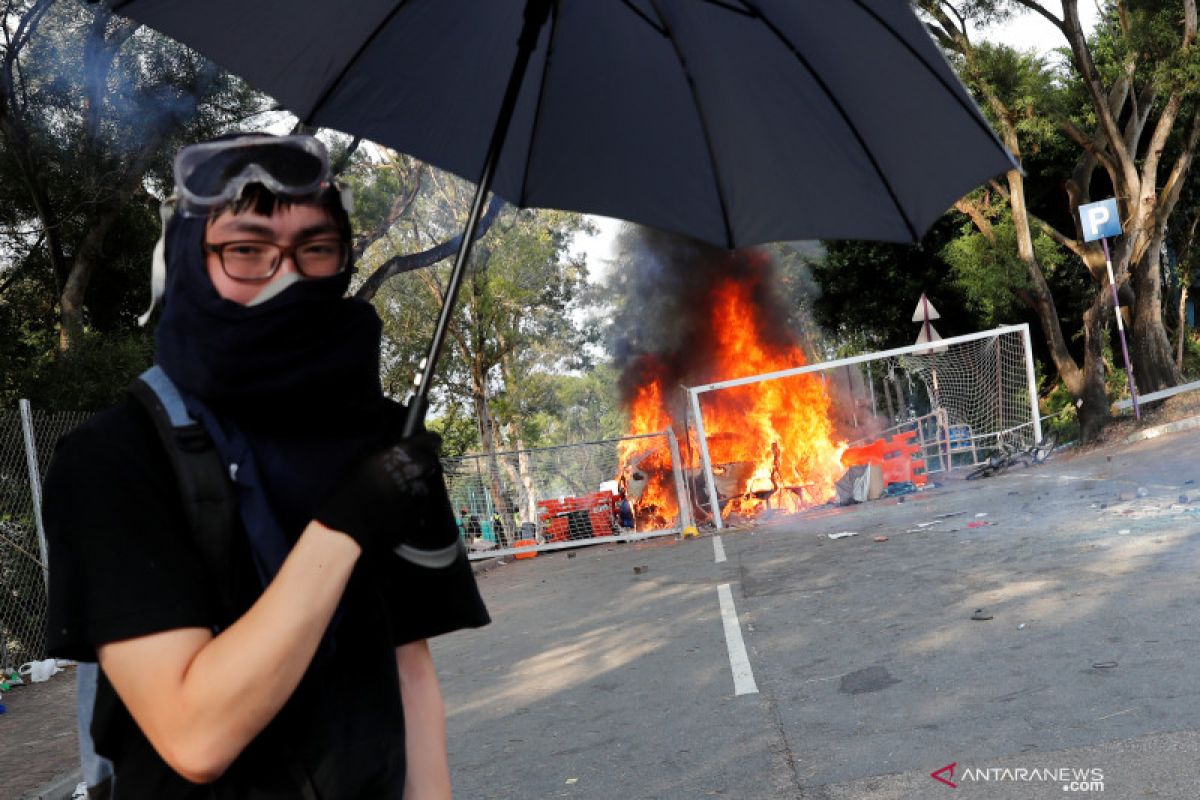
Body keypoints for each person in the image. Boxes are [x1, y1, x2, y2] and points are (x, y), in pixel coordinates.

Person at [42, 134, 489, 799]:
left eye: (315, 249)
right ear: (189, 261)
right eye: (246, 250)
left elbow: (409, 672)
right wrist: (345, 524)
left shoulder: (385, 437)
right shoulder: (112, 460)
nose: (287, 277)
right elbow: (196, 736)